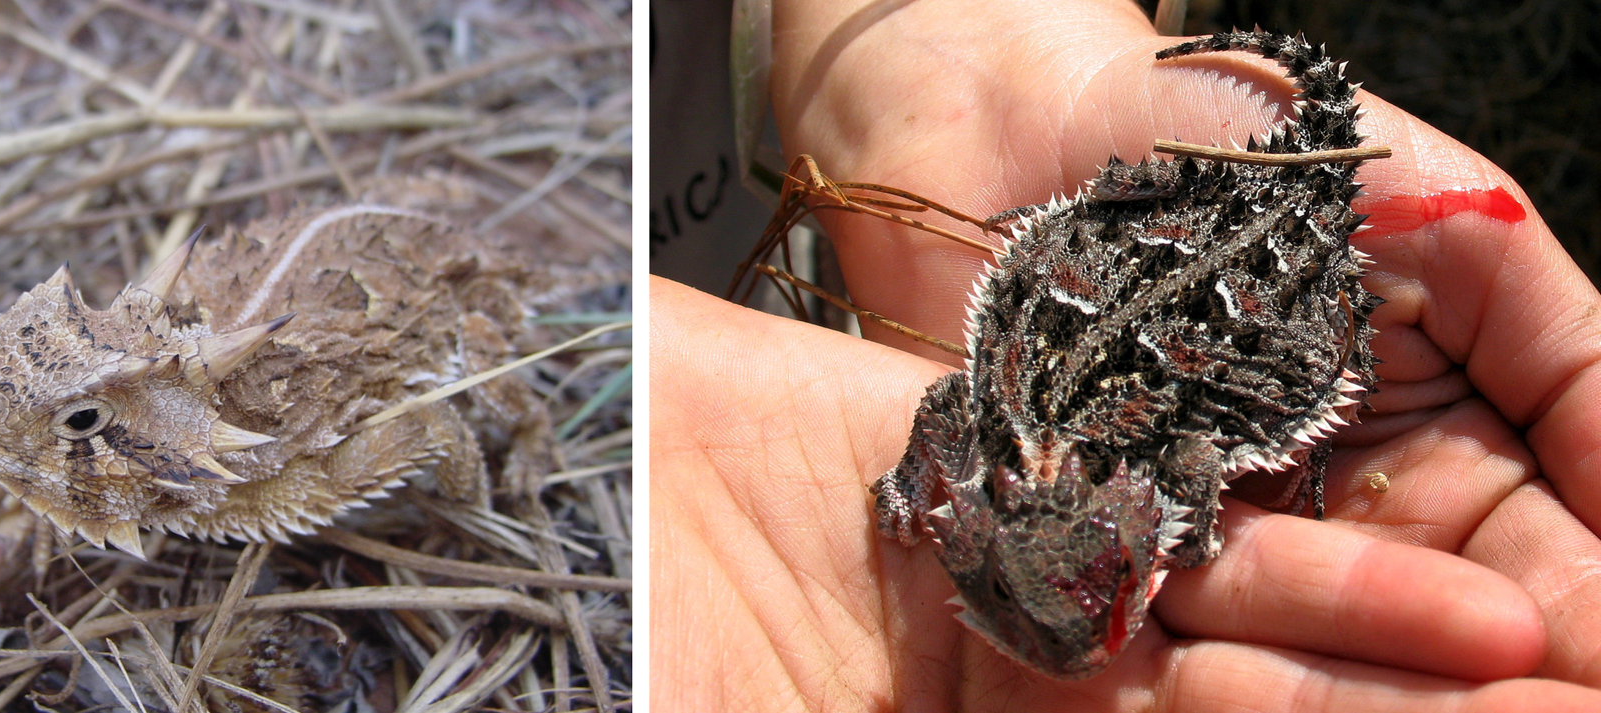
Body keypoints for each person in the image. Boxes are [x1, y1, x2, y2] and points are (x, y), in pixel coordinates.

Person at [650, 0, 1601, 709]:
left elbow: (1129, 446)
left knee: (1309, 342)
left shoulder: (1058, 459)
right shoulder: (1010, 454)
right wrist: (912, 487)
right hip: (1136, 282)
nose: (1075, 644)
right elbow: (958, 410)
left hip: (1256, 273)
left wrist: (974, 60)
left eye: (1088, 611)